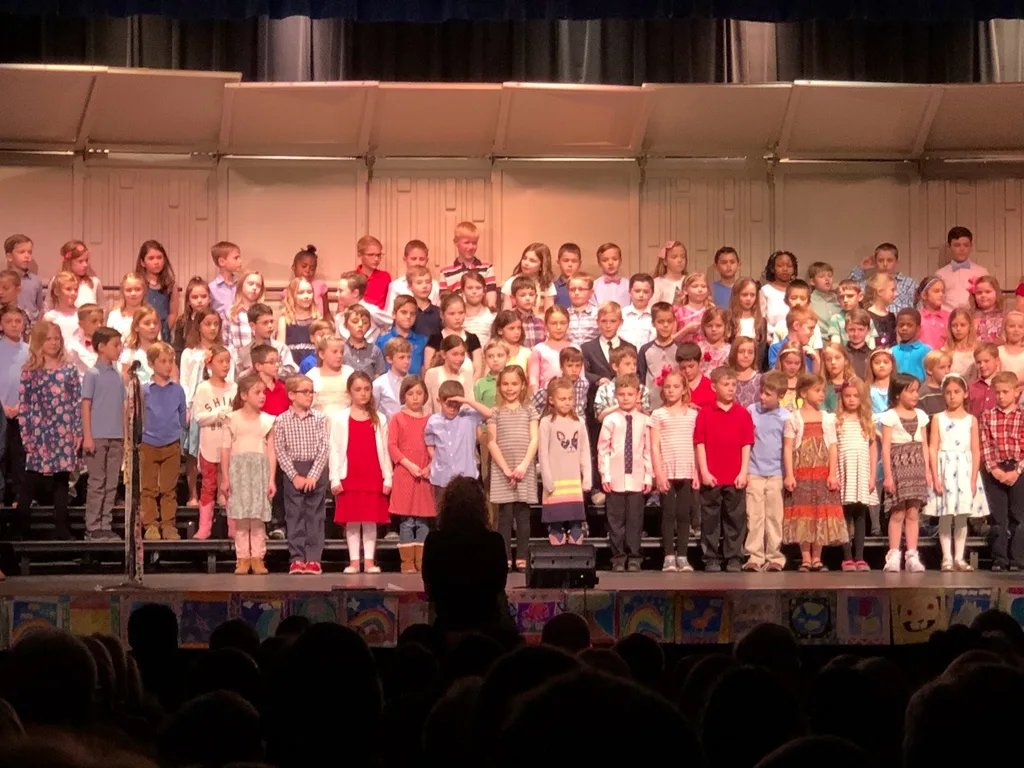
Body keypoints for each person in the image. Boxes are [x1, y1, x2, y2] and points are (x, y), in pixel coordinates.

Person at [19, 320, 82, 540]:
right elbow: (24, 405)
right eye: (48, 339)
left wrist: (77, 431)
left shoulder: (69, 370)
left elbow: (75, 402)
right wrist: (26, 434)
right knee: (32, 476)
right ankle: (21, 527)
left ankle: (61, 527)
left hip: (63, 430)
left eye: (56, 338)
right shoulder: (30, 371)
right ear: (39, 341)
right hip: (38, 430)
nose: (53, 343)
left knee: (61, 479)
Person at [421, 476, 508, 633]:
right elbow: (498, 585)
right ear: (481, 506)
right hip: (487, 626)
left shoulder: (434, 541)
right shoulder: (493, 541)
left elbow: (430, 587)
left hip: (447, 625)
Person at [328, 371, 392, 574]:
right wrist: (334, 477)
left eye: (366, 389)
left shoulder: (379, 418)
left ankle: (370, 560)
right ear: (349, 392)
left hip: (373, 473)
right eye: (358, 389)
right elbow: (335, 449)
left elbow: (385, 450)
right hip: (350, 474)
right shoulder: (340, 419)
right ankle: (354, 561)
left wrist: (388, 476)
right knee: (353, 520)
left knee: (370, 519)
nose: (363, 393)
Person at [783, 373, 848, 571]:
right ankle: (805, 558)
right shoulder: (793, 418)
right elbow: (787, 447)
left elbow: (832, 447)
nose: (821, 395)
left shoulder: (827, 418)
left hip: (821, 471)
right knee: (804, 512)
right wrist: (789, 474)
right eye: (817, 391)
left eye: (823, 391)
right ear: (804, 392)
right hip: (801, 471)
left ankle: (817, 557)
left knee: (820, 512)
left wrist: (832, 473)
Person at [924, 373, 988, 571]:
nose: (952, 396)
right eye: (948, 392)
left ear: (965, 394)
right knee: (945, 514)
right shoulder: (938, 419)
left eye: (957, 392)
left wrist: (974, 476)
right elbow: (933, 447)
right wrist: (935, 475)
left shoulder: (971, 420)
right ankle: (946, 558)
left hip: (964, 469)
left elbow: (976, 449)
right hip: (945, 468)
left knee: (961, 516)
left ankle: (960, 557)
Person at [695, 366, 755, 572]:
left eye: (733, 385)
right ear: (714, 387)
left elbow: (746, 444)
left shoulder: (742, 413)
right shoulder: (705, 412)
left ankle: (734, 557)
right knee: (710, 518)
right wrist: (704, 471)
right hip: (712, 475)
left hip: (734, 475)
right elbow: (700, 443)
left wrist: (743, 471)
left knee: (735, 518)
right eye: (725, 385)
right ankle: (711, 556)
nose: (731, 389)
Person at [273, 374, 329, 576]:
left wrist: (313, 475)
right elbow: (280, 450)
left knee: (315, 516)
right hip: (293, 472)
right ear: (291, 395)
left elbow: (324, 448)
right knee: (295, 515)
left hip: (316, 471)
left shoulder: (319, 418)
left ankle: (313, 558)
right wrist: (294, 475)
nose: (309, 396)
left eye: (311, 391)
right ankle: (297, 558)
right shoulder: (281, 420)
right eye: (304, 392)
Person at [222, 373, 276, 575]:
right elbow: (225, 449)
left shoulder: (267, 421)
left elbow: (271, 452)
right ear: (244, 396)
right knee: (242, 517)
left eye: (263, 392)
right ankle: (242, 557)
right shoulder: (232, 419)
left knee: (257, 517)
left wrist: (271, 479)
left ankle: (258, 557)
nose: (263, 396)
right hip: (239, 470)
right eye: (257, 392)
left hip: (259, 471)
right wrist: (226, 478)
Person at [598, 373, 653, 572]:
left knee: (635, 520)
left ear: (638, 394)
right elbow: (603, 449)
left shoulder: (644, 420)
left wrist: (648, 476)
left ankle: (634, 556)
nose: (626, 398)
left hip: (637, 477)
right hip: (616, 478)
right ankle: (618, 557)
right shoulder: (610, 420)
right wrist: (605, 475)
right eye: (622, 394)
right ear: (616, 396)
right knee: (615, 521)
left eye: (630, 394)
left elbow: (647, 450)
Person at [487, 365, 539, 570]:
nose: (510, 388)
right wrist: (507, 470)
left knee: (523, 516)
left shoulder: (529, 410)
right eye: (506, 384)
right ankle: (505, 555)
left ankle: (523, 555)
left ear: (523, 385)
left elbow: (534, 439)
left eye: (514, 384)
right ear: (499, 387)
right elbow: (492, 442)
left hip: (524, 469)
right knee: (505, 517)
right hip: (503, 471)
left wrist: (523, 466)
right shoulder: (495, 412)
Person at [180, 308, 232, 508]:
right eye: (207, 324)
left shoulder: (225, 351)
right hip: (197, 405)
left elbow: (231, 377)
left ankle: (221, 492)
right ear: (199, 326)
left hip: (222, 404)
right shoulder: (189, 353)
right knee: (194, 451)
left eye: (215, 324)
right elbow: (185, 381)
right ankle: (193, 493)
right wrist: (186, 407)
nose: (212, 328)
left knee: (221, 451)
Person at [879, 373, 930, 572]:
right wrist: (889, 475)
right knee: (898, 512)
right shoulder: (890, 415)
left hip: (916, 465)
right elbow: (885, 447)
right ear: (899, 394)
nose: (916, 395)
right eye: (911, 391)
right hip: (898, 466)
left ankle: (912, 554)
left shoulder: (922, 415)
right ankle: (893, 554)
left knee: (912, 512)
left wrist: (927, 470)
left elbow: (924, 445)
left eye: (917, 390)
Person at [651, 370, 699, 572]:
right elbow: (654, 446)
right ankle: (669, 556)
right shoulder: (658, 414)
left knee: (684, 515)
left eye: (676, 386)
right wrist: (659, 474)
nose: (671, 390)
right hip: (667, 471)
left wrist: (696, 472)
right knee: (669, 514)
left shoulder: (693, 414)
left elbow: (697, 445)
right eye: (668, 386)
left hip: (687, 470)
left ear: (684, 389)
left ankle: (683, 555)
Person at [81, 326, 126, 541]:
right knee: (97, 482)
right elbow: (86, 405)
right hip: (97, 435)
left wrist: (125, 435)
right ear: (101, 348)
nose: (120, 349)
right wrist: (87, 435)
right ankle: (93, 525)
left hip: (116, 435)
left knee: (111, 483)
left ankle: (105, 523)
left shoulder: (117, 376)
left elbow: (123, 406)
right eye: (115, 345)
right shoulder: (92, 374)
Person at [387, 375, 435, 573]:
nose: (415, 397)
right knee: (407, 521)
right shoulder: (397, 418)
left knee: (422, 520)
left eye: (419, 393)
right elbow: (392, 446)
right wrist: (408, 465)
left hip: (425, 473)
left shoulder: (431, 419)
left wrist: (430, 467)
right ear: (403, 396)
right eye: (410, 393)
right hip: (406, 473)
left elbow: (437, 445)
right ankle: (407, 563)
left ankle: (422, 561)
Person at [139, 341, 187, 541]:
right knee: (148, 487)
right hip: (148, 442)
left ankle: (168, 525)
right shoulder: (144, 390)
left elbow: (182, 415)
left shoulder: (177, 390)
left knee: (169, 488)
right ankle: (150, 524)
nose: (168, 365)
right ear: (151, 363)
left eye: (171, 361)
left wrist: (177, 436)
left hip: (171, 443)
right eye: (163, 361)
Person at [744, 372, 790, 572]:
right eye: (762, 392)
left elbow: (789, 446)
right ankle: (754, 556)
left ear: (779, 396)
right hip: (754, 471)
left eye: (768, 394)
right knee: (754, 516)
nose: (762, 397)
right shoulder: (751, 410)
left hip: (776, 473)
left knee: (774, 516)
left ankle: (774, 557)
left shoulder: (786, 416)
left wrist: (788, 473)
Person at [979, 370, 1024, 571]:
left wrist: (1017, 470)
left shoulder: (1022, 416)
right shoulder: (987, 416)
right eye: (997, 392)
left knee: (1019, 516)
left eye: (1006, 392)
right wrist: (993, 469)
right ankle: (1000, 558)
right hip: (995, 470)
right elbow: (985, 444)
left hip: (1018, 469)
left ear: (1016, 392)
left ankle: (1017, 559)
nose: (1001, 396)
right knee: (998, 518)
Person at [538, 377, 591, 547]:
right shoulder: (546, 423)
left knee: (574, 509)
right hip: (555, 476)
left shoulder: (579, 422)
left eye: (570, 398)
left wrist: (587, 477)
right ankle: (555, 528)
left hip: (573, 476)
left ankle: (576, 527)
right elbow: (543, 453)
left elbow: (584, 451)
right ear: (551, 400)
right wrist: (547, 478)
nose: (567, 403)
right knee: (556, 509)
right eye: (562, 399)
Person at [191, 345, 236, 540]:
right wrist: (218, 415)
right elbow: (199, 417)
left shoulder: (234, 388)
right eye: (220, 361)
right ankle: (204, 527)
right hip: (210, 443)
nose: (225, 365)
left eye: (227, 361)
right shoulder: (203, 388)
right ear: (210, 364)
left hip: (231, 445)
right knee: (208, 485)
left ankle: (233, 528)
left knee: (231, 486)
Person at [424, 380, 493, 506]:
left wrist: (467, 401)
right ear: (439, 401)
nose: (452, 409)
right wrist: (437, 460)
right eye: (448, 404)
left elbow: (489, 413)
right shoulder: (433, 421)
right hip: (442, 479)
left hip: (466, 478)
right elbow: (430, 445)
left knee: (466, 515)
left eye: (456, 405)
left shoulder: (469, 417)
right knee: (443, 517)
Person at [835, 378, 877, 571]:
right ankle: (846, 557)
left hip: (861, 471)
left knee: (860, 515)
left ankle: (860, 556)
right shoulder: (836, 420)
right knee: (844, 515)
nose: (851, 400)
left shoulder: (867, 420)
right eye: (847, 396)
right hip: (843, 470)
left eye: (855, 396)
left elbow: (872, 448)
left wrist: (872, 475)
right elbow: (833, 448)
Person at [0, 304, 28, 510]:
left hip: (22, 410)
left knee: (20, 454)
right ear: (1, 324)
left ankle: (20, 495)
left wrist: (20, 404)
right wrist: (3, 405)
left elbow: (32, 380)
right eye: (9, 321)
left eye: (17, 321)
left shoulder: (29, 350)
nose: (13, 325)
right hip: (0, 408)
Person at [439, 221, 498, 308]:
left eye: (474, 243)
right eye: (466, 243)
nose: (471, 247)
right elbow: (444, 301)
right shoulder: (445, 271)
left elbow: (491, 296)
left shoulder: (486, 267)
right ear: (456, 242)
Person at [425, 293, 483, 378]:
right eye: (452, 314)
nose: (457, 317)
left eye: (461, 313)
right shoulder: (435, 339)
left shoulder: (472, 339)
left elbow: (478, 369)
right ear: (442, 315)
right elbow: (428, 368)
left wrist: (469, 386)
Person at [849, 242, 916, 313]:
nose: (885, 264)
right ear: (875, 262)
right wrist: (860, 269)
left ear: (896, 262)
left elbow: (914, 307)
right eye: (880, 260)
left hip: (899, 322)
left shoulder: (908, 283)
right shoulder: (868, 283)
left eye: (889, 260)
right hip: (874, 322)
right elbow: (847, 289)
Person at [235, 302, 296, 378]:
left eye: (271, 322)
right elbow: (237, 378)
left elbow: (291, 371)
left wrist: (273, 369)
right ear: (252, 325)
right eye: (265, 323)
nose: (270, 326)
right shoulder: (243, 352)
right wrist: (251, 371)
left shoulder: (280, 348)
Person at [638, 302, 679, 410]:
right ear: (653, 323)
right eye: (661, 321)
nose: (665, 325)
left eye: (669, 321)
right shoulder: (645, 350)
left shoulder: (680, 349)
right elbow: (641, 377)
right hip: (651, 405)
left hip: (676, 405)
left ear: (674, 322)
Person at [376, 294, 429, 375]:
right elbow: (378, 370)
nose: (408, 316)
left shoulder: (422, 341)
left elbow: (424, 369)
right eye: (404, 312)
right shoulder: (382, 341)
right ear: (394, 314)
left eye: (412, 314)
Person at [937, 226, 987, 311]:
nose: (962, 249)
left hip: (973, 316)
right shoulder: (940, 274)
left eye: (966, 245)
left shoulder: (981, 272)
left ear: (971, 246)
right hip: (948, 316)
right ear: (949, 247)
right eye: (957, 245)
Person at [334, 270, 392, 344]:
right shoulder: (339, 317)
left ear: (355, 293)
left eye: (340, 291)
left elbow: (392, 324)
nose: (336, 294)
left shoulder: (372, 312)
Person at [137, 239, 177, 342]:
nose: (156, 262)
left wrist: (166, 328)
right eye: (151, 258)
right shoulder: (139, 283)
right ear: (142, 262)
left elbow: (173, 312)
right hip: (143, 330)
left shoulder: (170, 284)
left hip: (163, 331)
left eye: (159, 258)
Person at [424, 335, 475, 414]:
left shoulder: (466, 374)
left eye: (462, 354)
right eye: (455, 354)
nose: (459, 359)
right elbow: (427, 406)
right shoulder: (432, 374)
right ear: (443, 354)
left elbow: (470, 405)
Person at [501, 242, 555, 313]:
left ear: (541, 266)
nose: (526, 263)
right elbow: (506, 313)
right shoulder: (511, 282)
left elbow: (549, 314)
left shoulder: (547, 284)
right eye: (524, 258)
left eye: (532, 261)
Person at [308, 335, 355, 418]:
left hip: (345, 421)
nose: (339, 355)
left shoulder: (348, 372)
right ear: (321, 354)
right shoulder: (312, 376)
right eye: (334, 352)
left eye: (341, 352)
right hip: (320, 422)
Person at [276, 276, 320, 363]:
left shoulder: (318, 319)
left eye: (309, 292)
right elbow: (280, 350)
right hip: (292, 368)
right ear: (292, 295)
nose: (306, 296)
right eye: (301, 292)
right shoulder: (284, 320)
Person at [222, 270, 264, 356]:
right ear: (241, 286)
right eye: (250, 284)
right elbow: (225, 342)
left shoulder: (263, 313)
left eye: (258, 285)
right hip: (237, 362)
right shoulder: (231, 313)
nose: (254, 288)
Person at [827, 279, 878, 347]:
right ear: (838, 299)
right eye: (842, 297)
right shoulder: (836, 319)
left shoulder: (867, 318)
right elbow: (835, 345)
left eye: (850, 296)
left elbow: (871, 344)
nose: (845, 300)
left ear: (860, 296)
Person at [5, 233, 43, 322]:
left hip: (31, 328)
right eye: (21, 252)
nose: (27, 256)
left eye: (29, 252)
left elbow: (40, 308)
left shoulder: (35, 281)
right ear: (9, 257)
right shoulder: (2, 281)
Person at [341, 304, 386, 379]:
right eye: (355, 321)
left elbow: (380, 377)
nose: (360, 325)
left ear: (369, 326)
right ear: (345, 325)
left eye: (365, 322)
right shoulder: (341, 349)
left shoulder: (375, 351)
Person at [760, 250, 797, 342]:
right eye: (780, 265)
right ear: (773, 268)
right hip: (771, 342)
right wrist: (769, 340)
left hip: (797, 341)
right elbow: (761, 318)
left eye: (789, 266)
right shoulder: (766, 291)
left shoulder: (798, 290)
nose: (785, 269)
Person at [373, 337, 413, 421]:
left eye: (409, 357)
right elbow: (372, 412)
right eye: (401, 357)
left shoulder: (415, 383)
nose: (407, 361)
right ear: (389, 359)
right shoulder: (379, 384)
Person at [107, 271, 148, 343]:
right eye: (129, 290)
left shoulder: (150, 315)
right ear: (123, 292)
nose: (133, 293)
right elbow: (108, 343)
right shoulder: (114, 316)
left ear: (144, 291)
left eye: (137, 289)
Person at [354, 234, 392, 310]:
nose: (376, 259)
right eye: (371, 255)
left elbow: (389, 304)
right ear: (360, 255)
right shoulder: (352, 277)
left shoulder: (385, 277)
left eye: (379, 255)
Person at [892, 308, 931, 381]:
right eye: (901, 325)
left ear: (918, 328)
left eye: (909, 325)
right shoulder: (892, 351)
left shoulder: (927, 351)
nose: (904, 328)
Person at [292, 244, 330, 317]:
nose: (308, 270)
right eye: (304, 266)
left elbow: (327, 313)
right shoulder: (290, 290)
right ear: (294, 267)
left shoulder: (320, 286)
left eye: (312, 269)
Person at [619, 273, 655, 350]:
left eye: (645, 292)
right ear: (630, 292)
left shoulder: (655, 316)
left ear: (652, 294)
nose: (641, 295)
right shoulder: (620, 314)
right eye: (637, 291)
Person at [674, 272, 711, 344]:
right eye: (695, 286)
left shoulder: (711, 311)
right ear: (685, 290)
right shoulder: (678, 312)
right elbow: (671, 339)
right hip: (683, 353)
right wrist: (686, 330)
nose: (700, 289)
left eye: (703, 286)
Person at [462, 269, 496, 346]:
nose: (474, 291)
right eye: (470, 288)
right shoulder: (458, 315)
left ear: (484, 290)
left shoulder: (491, 315)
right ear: (463, 291)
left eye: (478, 288)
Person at [944, 307, 978, 382]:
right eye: (954, 325)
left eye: (962, 325)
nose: (958, 329)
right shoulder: (945, 351)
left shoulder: (978, 350)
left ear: (970, 326)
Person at [566, 272, 599, 347]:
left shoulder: (598, 314)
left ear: (591, 292)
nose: (576, 292)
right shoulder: (564, 315)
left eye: (581, 289)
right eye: (572, 289)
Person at [208, 241, 242, 316]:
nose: (240, 261)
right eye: (236, 258)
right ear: (222, 262)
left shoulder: (241, 284)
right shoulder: (211, 288)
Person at [592, 242, 631, 308]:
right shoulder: (594, 286)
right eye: (605, 260)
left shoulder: (629, 285)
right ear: (599, 263)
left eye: (615, 259)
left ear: (620, 261)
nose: (610, 263)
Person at [968, 342, 1000, 418]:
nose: (982, 365)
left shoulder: (1004, 385)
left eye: (986, 361)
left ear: (997, 361)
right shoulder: (971, 388)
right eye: (978, 362)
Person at [864, 272, 897, 347]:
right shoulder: (866, 316)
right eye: (892, 290)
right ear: (880, 292)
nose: (896, 294)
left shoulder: (892, 316)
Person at [651, 240, 687, 307]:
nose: (680, 260)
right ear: (665, 261)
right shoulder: (657, 283)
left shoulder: (690, 281)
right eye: (674, 257)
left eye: (683, 256)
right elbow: (652, 308)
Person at [808, 261, 840, 336]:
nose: (827, 279)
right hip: (820, 341)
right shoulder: (809, 301)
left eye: (830, 276)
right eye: (821, 276)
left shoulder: (839, 299)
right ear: (812, 281)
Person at [917, 276, 949, 350]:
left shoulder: (949, 317)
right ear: (924, 295)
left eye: (943, 291)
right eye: (936, 291)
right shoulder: (917, 317)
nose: (941, 294)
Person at [918, 350, 952, 417]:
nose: (947, 371)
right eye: (942, 367)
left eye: (949, 367)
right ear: (929, 370)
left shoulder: (950, 389)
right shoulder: (923, 394)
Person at [730, 337, 762, 409]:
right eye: (741, 351)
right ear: (734, 353)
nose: (746, 355)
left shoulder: (761, 380)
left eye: (750, 352)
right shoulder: (727, 378)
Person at [971, 275, 1004, 344]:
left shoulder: (1004, 317)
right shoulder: (970, 317)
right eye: (979, 293)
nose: (983, 295)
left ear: (997, 293)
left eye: (988, 292)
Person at [698, 307, 731, 374]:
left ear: (726, 326)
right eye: (709, 326)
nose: (713, 329)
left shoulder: (729, 350)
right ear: (703, 327)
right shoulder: (699, 348)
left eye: (718, 326)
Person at [553, 243, 582, 308]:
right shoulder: (553, 288)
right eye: (565, 260)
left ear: (580, 263)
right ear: (558, 262)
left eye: (574, 261)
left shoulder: (586, 287)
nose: (570, 264)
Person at [999, 310, 1024, 383]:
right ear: (1004, 328)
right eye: (1012, 326)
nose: (1016, 330)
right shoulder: (999, 351)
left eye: (1020, 327)